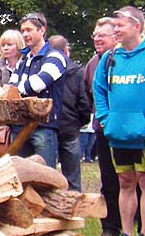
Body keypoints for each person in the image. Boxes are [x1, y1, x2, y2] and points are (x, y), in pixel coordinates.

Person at [93, 6, 145, 236]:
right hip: (117, 133)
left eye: (120, 26)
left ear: (136, 26)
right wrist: (104, 117)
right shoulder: (111, 58)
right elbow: (98, 89)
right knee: (125, 182)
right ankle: (126, 234)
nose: (116, 30)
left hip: (144, 135)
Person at [8, 12, 67, 167]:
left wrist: (14, 91)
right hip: (19, 124)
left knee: (45, 177)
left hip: (43, 126)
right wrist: (12, 90)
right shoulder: (23, 59)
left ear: (42, 30)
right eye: (23, 31)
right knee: (18, 176)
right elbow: (11, 84)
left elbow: (39, 83)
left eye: (29, 30)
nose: (25, 34)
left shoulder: (56, 57)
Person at [84, 17, 122, 236]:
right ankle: (110, 226)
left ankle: (141, 226)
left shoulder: (123, 61)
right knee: (108, 180)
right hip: (102, 130)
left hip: (128, 130)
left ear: (115, 37)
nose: (97, 39)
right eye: (95, 35)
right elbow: (88, 96)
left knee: (134, 179)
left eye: (102, 35)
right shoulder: (92, 64)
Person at [48, 35, 90, 191]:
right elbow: (84, 102)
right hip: (71, 127)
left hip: (49, 125)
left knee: (47, 175)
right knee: (72, 177)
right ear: (67, 51)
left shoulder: (45, 70)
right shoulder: (78, 72)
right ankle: (75, 209)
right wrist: (80, 122)